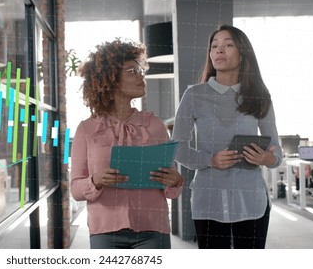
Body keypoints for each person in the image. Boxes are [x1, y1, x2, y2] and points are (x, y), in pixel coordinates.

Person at [172, 24, 282, 249]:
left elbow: (276, 151)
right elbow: (177, 148)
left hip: (251, 200)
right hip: (208, 200)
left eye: (228, 45)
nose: (219, 50)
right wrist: (210, 160)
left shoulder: (260, 96)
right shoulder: (193, 95)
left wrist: (268, 159)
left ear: (243, 54)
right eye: (214, 46)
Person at [70, 39, 183, 249]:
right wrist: (96, 180)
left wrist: (175, 181)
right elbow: (75, 189)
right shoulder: (85, 129)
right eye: (132, 71)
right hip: (105, 231)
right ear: (110, 79)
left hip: (152, 228)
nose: (141, 76)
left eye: (140, 70)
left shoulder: (156, 125)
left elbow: (171, 188)